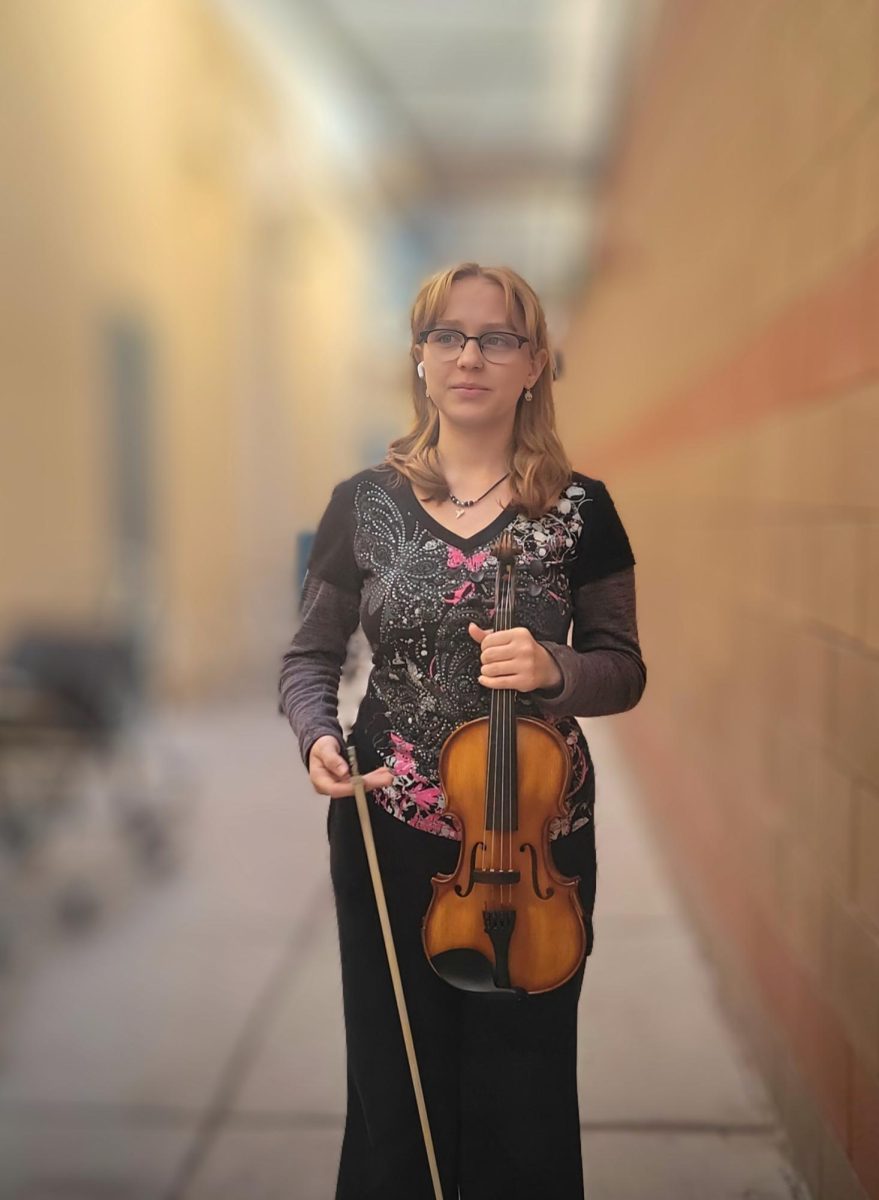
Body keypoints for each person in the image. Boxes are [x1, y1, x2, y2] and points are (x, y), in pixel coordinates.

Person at [278, 261, 646, 1200]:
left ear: (534, 366)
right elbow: (309, 659)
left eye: (498, 338)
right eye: (448, 336)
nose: (470, 356)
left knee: (521, 1100)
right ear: (420, 359)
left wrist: (555, 670)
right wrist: (317, 735)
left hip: (536, 845)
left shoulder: (579, 510)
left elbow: (623, 668)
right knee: (394, 1093)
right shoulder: (361, 505)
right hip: (387, 828)